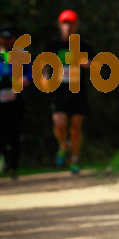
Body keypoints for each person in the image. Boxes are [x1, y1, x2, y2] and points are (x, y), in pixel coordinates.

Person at [45, 9, 95, 174]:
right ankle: (62, 144)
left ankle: (74, 159)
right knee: (59, 124)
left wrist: (85, 63)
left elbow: (95, 64)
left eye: (71, 22)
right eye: (65, 22)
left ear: (76, 25)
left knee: (75, 127)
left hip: (77, 91)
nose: (68, 26)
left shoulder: (84, 45)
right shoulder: (53, 45)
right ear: (60, 24)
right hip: (58, 91)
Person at [0, 24, 31, 179]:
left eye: (9, 38)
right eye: (3, 38)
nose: (6, 41)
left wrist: (27, 79)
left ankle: (13, 167)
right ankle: (4, 159)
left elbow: (31, 71)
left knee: (14, 134)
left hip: (16, 100)